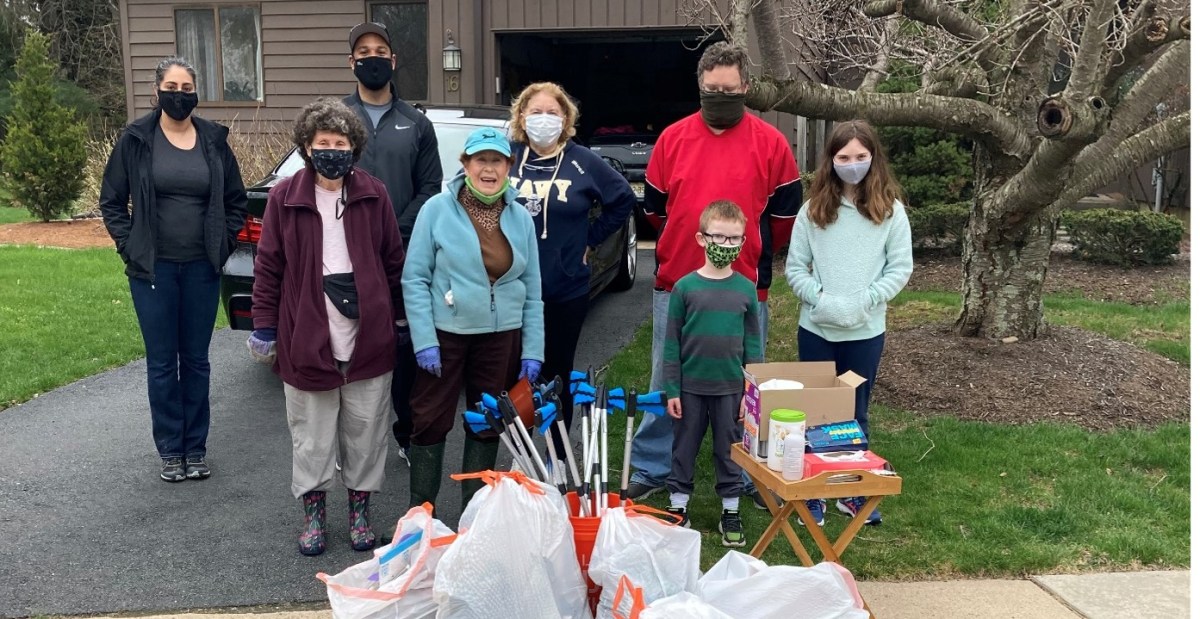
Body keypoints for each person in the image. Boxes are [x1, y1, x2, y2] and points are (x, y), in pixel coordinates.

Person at [627, 42, 801, 503]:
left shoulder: (772, 143)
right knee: (666, 378)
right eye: (710, 89)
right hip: (677, 284)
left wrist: (751, 257)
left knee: (746, 383)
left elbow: (784, 217)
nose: (719, 95)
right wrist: (689, 251)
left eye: (729, 88)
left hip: (744, 289)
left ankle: (745, 468)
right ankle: (653, 464)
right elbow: (657, 209)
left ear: (745, 87)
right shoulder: (672, 139)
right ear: (699, 87)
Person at [248, 99, 406, 556]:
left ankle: (360, 515)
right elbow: (269, 266)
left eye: (341, 143)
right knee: (312, 436)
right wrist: (264, 326)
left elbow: (393, 261)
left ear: (354, 148)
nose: (332, 151)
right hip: (307, 335)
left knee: (366, 432)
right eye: (323, 143)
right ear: (306, 146)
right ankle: (314, 516)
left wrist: (399, 316)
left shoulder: (374, 194)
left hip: (367, 337)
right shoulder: (285, 197)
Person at [99, 56, 247, 483]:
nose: (179, 95)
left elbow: (236, 201)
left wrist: (224, 243)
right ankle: (171, 449)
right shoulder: (136, 139)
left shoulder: (213, 142)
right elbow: (112, 201)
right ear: (156, 91)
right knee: (163, 362)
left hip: (202, 268)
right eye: (172, 87)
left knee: (197, 360)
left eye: (187, 88)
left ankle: (196, 447)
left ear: (195, 92)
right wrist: (129, 246)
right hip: (153, 271)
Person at [402, 127, 544, 514]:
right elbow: (414, 278)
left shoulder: (521, 218)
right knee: (430, 419)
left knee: (485, 421)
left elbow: (532, 291)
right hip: (446, 336)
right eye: (480, 159)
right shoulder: (436, 210)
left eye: (496, 160)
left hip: (500, 339)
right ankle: (420, 513)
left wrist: (533, 350)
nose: (488, 168)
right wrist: (424, 339)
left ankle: (473, 515)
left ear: (508, 167)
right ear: (465, 165)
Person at [784, 119, 913, 527]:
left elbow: (899, 268)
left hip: (865, 331)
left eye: (860, 157)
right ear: (831, 160)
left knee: (855, 411)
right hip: (817, 330)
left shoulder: (890, 211)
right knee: (818, 412)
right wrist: (821, 300)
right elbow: (795, 269)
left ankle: (852, 492)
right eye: (844, 157)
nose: (852, 164)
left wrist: (865, 301)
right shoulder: (812, 211)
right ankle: (816, 492)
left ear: (873, 158)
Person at [507, 82, 635, 456]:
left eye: (552, 112)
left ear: (566, 120)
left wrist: (590, 241)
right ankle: (520, 455)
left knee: (555, 373)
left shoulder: (582, 160)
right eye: (535, 112)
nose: (543, 119)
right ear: (521, 117)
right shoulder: (509, 157)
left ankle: (557, 454)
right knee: (513, 374)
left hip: (564, 287)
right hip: (511, 289)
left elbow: (622, 199)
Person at [342, 22, 442, 467]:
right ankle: (353, 441)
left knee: (404, 351)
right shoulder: (337, 120)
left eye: (380, 50)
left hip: (404, 254)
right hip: (344, 253)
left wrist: (394, 231)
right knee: (349, 347)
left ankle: (405, 433)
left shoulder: (416, 123)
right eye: (364, 51)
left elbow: (431, 185)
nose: (373, 57)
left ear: (393, 60)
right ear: (352, 63)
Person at [663, 200, 762, 548]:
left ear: (743, 242)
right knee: (684, 447)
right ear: (701, 239)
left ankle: (730, 510)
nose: (726, 246)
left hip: (731, 390)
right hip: (690, 388)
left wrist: (751, 396)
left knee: (729, 449)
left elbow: (754, 347)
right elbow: (671, 343)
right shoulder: (685, 289)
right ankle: (678, 506)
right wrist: (672, 388)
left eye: (735, 239)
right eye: (719, 238)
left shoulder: (746, 289)